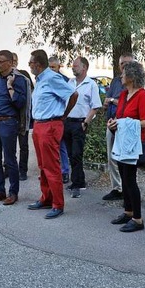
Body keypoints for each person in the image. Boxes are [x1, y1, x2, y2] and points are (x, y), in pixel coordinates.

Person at [28, 49, 76, 219]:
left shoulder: (52, 78)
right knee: (42, 166)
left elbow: (73, 94)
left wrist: (64, 115)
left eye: (30, 63)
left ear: (38, 64)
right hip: (39, 125)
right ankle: (46, 198)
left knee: (51, 167)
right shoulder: (40, 80)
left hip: (50, 125)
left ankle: (58, 204)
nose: (29, 65)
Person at [107, 62, 145, 232]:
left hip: (133, 143)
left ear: (132, 77)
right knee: (124, 179)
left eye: (124, 74)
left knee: (130, 180)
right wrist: (113, 123)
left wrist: (124, 123)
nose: (121, 76)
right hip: (122, 141)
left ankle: (138, 219)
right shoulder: (124, 95)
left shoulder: (142, 95)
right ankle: (128, 211)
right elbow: (120, 117)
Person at [0, 50, 27, 205]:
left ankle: (13, 193)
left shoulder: (19, 79)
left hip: (8, 123)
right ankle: (0, 190)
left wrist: (10, 87)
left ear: (10, 62)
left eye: (0, 61)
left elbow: (20, 102)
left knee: (10, 160)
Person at [64, 57, 102, 198]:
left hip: (80, 123)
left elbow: (95, 106)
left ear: (84, 68)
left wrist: (85, 122)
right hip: (67, 122)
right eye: (72, 66)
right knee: (70, 154)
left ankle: (76, 184)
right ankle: (80, 181)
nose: (73, 68)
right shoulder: (70, 82)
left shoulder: (91, 84)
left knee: (76, 154)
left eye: (76, 66)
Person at [102, 53, 135, 201]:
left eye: (128, 63)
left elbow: (130, 103)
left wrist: (113, 101)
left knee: (125, 160)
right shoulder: (116, 81)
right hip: (111, 123)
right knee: (111, 157)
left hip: (125, 125)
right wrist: (106, 103)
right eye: (123, 64)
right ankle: (117, 188)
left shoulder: (135, 82)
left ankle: (128, 190)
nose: (125, 66)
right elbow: (107, 99)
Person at [49, 56, 71, 183]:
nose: (52, 69)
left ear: (59, 67)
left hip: (60, 118)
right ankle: (53, 171)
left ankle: (65, 171)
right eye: (50, 67)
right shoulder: (44, 79)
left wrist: (65, 115)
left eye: (54, 67)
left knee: (61, 146)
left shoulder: (64, 81)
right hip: (48, 119)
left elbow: (70, 98)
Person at [12, 52, 33, 181]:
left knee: (23, 146)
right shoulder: (4, 76)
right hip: (10, 117)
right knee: (9, 146)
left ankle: (23, 170)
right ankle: (9, 169)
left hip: (23, 116)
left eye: (15, 60)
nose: (13, 62)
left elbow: (32, 91)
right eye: (11, 60)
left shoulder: (24, 75)